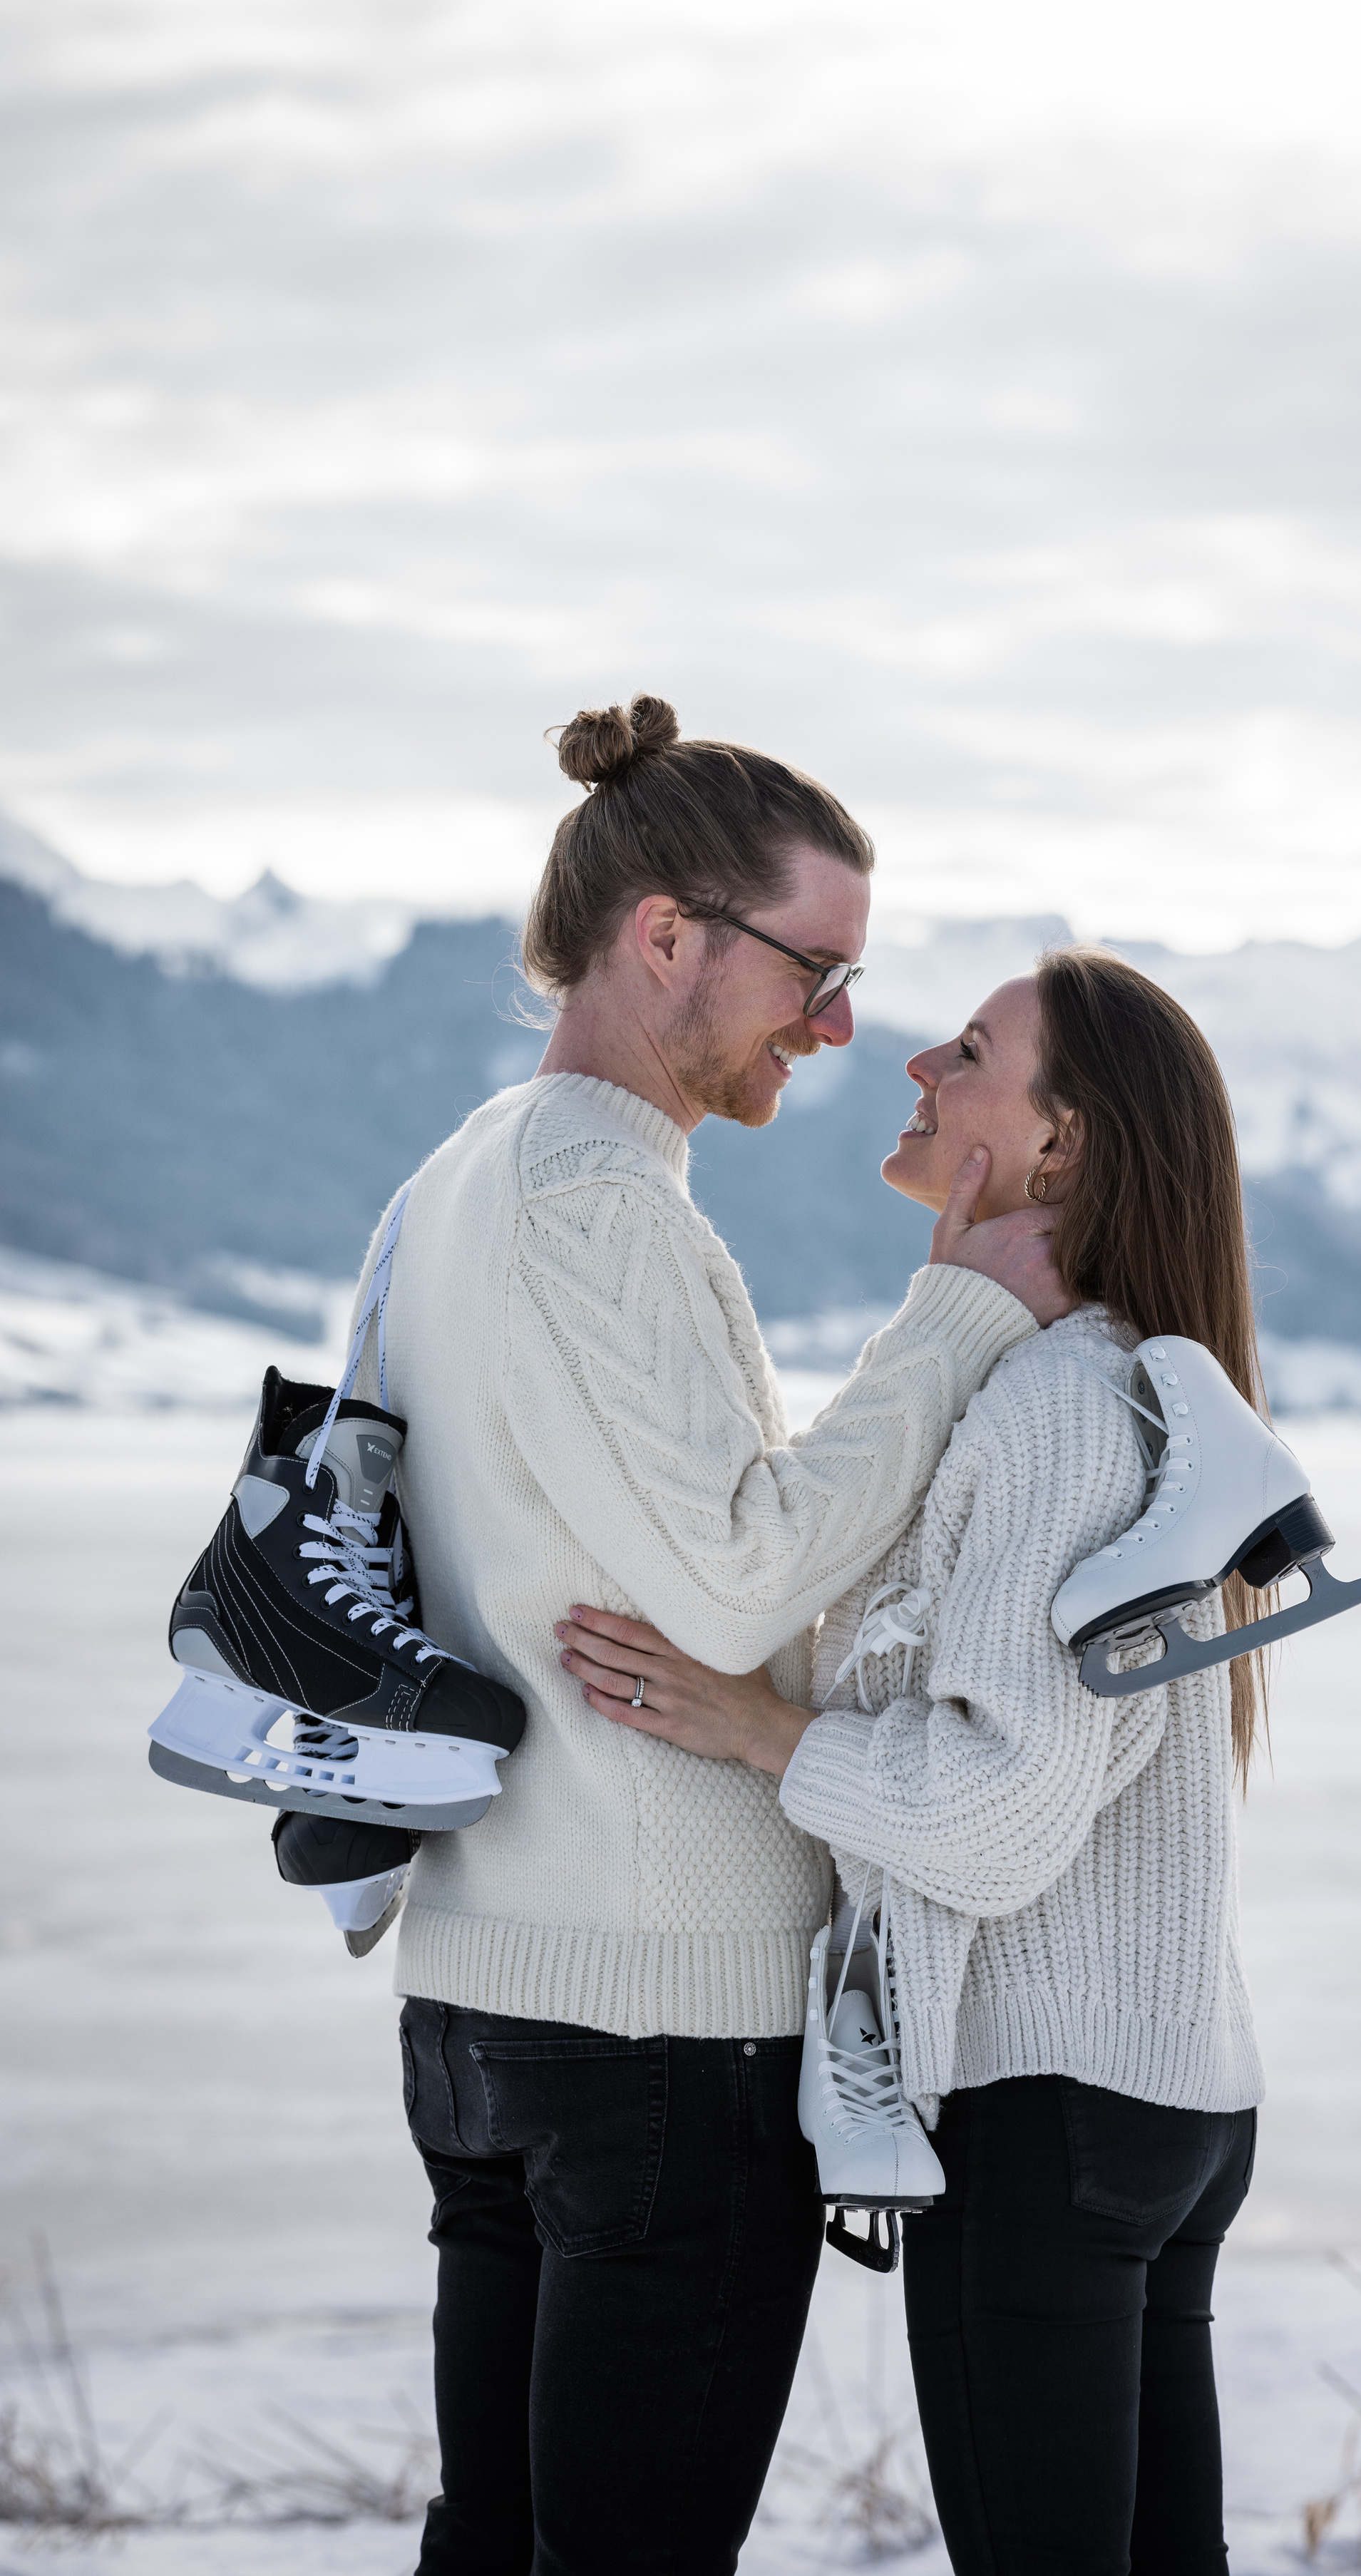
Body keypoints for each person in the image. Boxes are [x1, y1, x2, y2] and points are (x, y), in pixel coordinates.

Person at [348, 696, 1069, 2576]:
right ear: (665, 931)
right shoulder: (594, 1189)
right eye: (815, 970)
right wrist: (954, 1322)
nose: (839, 1028)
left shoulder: (456, 1176)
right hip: (656, 2017)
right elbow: (741, 1580)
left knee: (498, 2540)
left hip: (489, 1990)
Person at [558, 943, 1270, 2576]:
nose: (908, 1067)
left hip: (1047, 2102)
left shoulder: (1050, 1412)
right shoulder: (1126, 1390)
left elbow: (1001, 1809)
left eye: (964, 1050)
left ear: (1059, 1143)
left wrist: (756, 1727)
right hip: (1155, 2097)